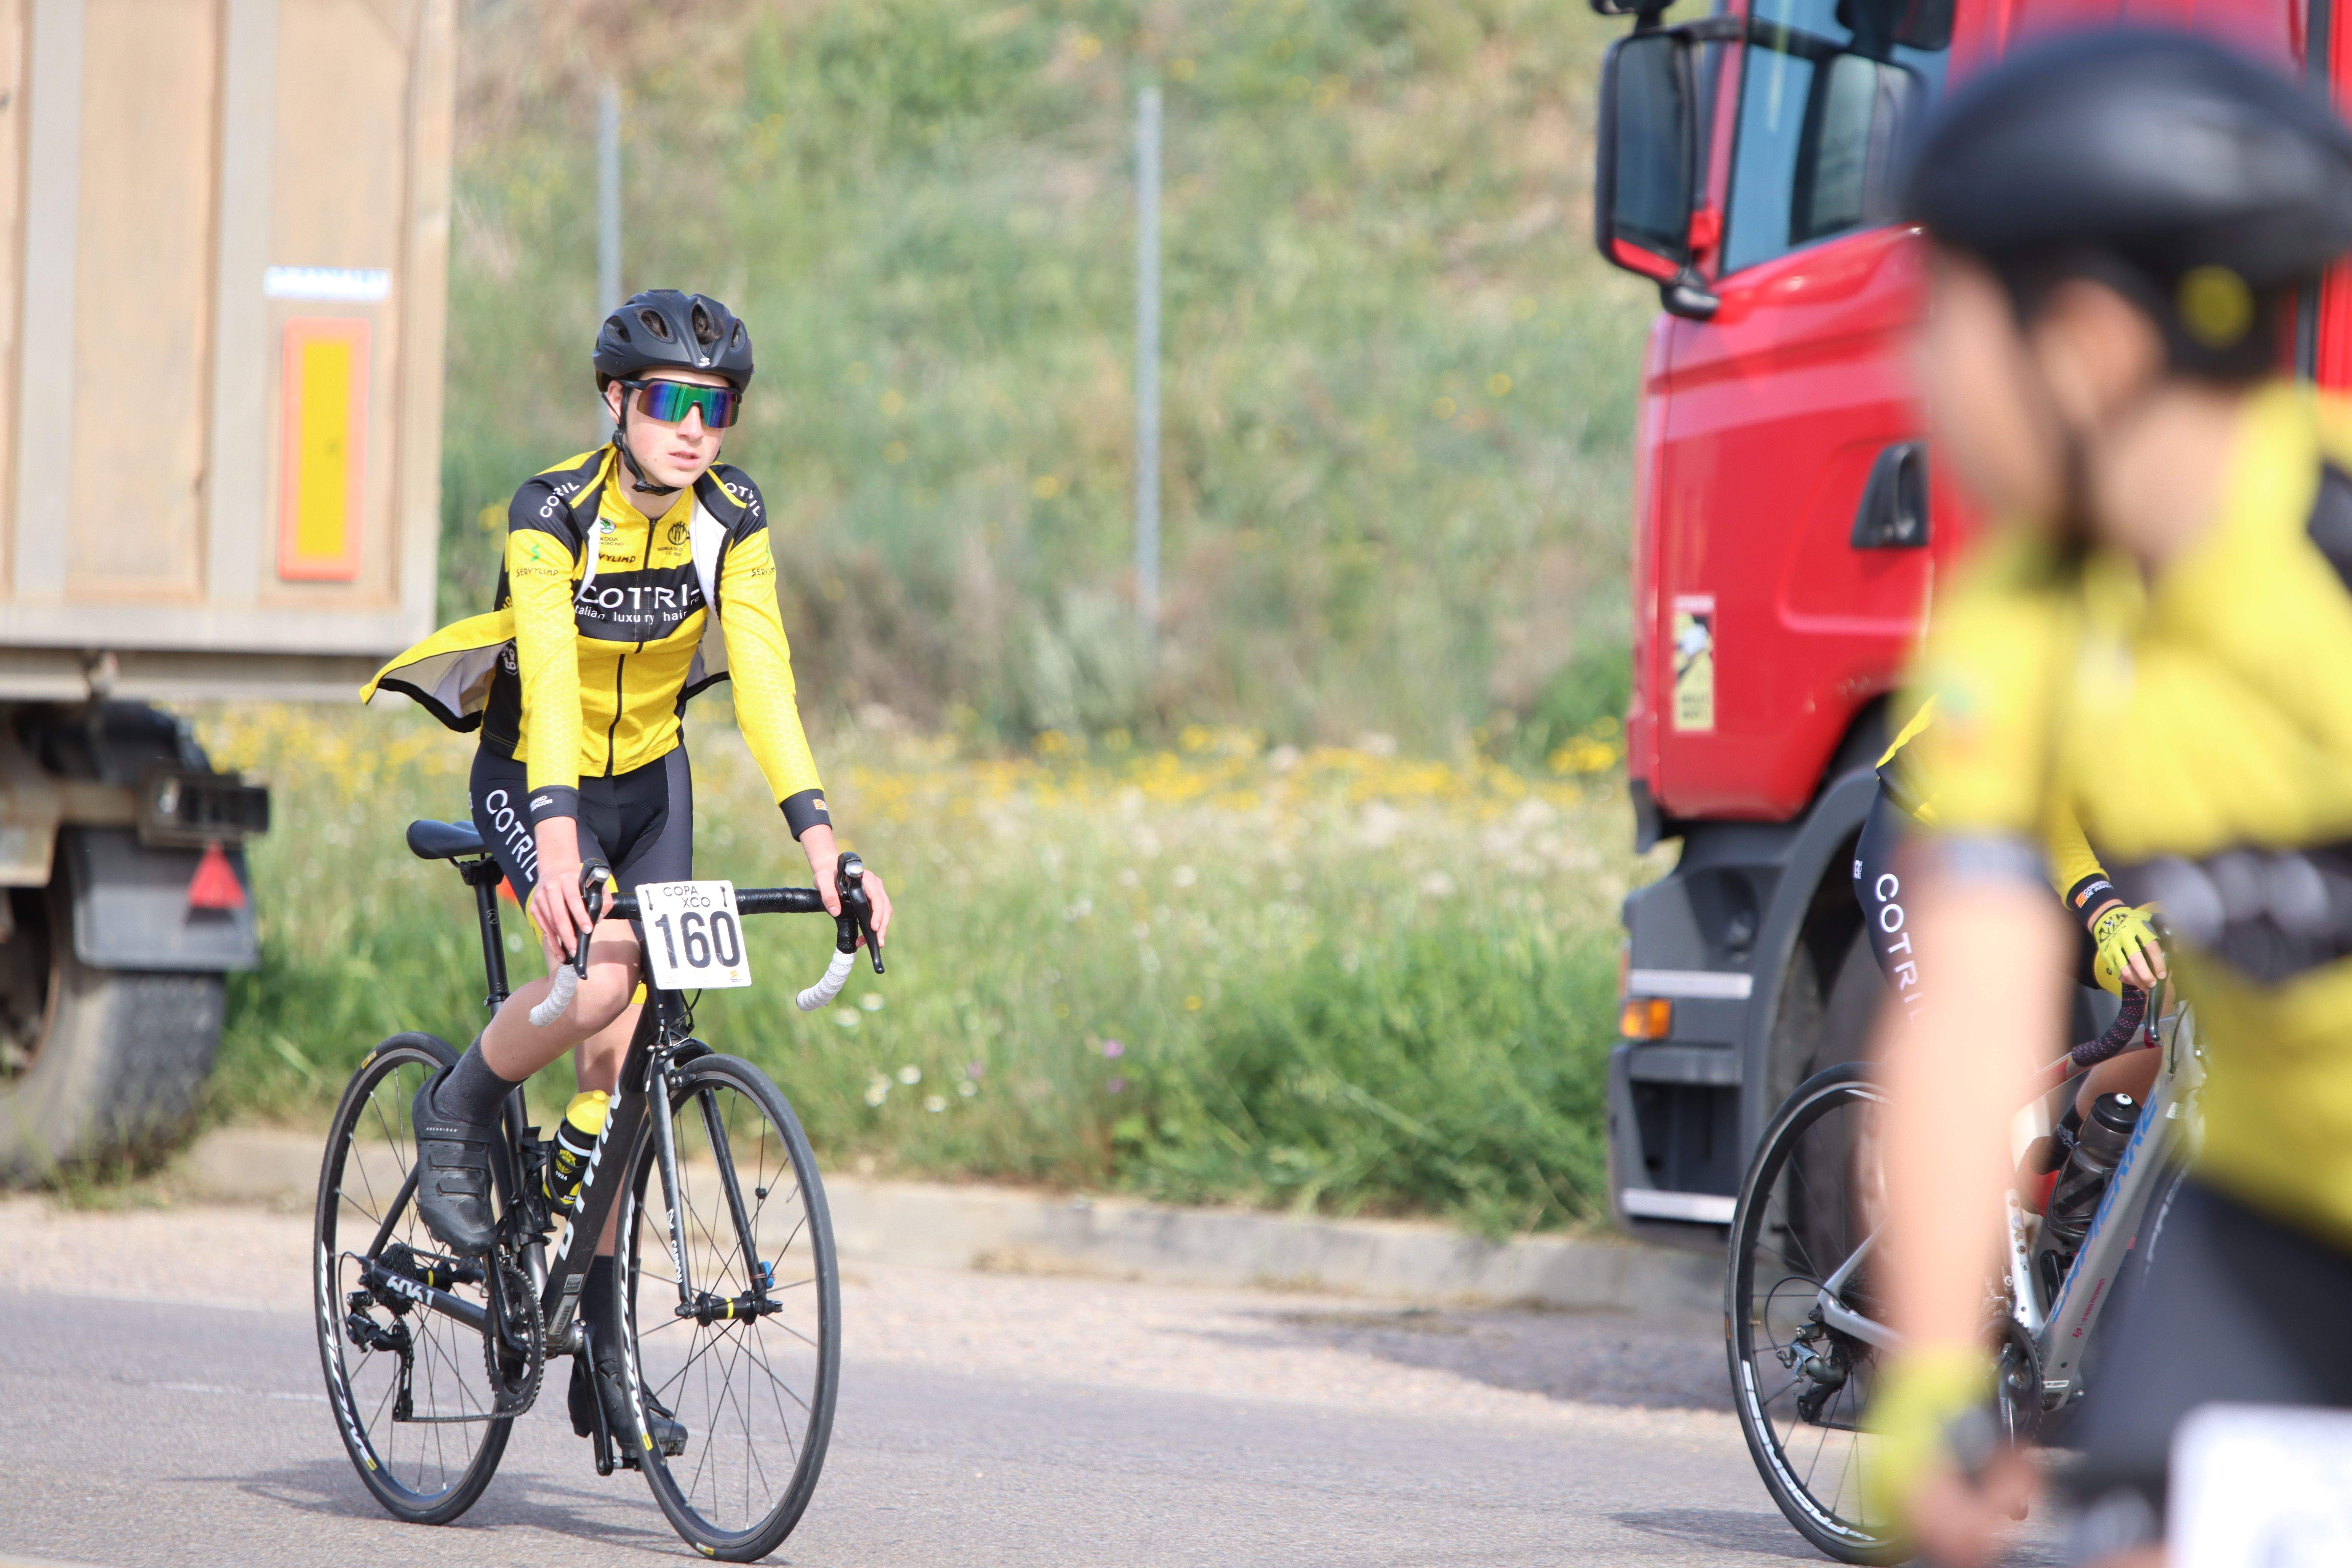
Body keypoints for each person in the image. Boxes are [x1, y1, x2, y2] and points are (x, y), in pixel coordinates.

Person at [1856, 27, 2352, 1568]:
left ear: (2081, 343)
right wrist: (1936, 1380)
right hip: (2274, 1220)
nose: (1910, 369)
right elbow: (1971, 1004)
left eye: (1943, 321)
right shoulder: (2024, 611)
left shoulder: (2327, 568)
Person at [365, 289, 893, 1455]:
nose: (694, 428)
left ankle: (602, 1347)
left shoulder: (732, 518)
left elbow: (763, 681)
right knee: (600, 986)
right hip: (530, 777)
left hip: (652, 783)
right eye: (669, 403)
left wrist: (826, 846)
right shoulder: (550, 511)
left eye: (717, 407)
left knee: (632, 1054)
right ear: (617, 401)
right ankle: (454, 1109)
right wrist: (553, 837)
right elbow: (547, 678)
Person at [1858, 700, 2168, 1138]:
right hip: (1933, 843)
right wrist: (2104, 912)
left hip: (2052, 851)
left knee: (2170, 987)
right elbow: (2039, 799)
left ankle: (2067, 1170)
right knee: (1968, 1065)